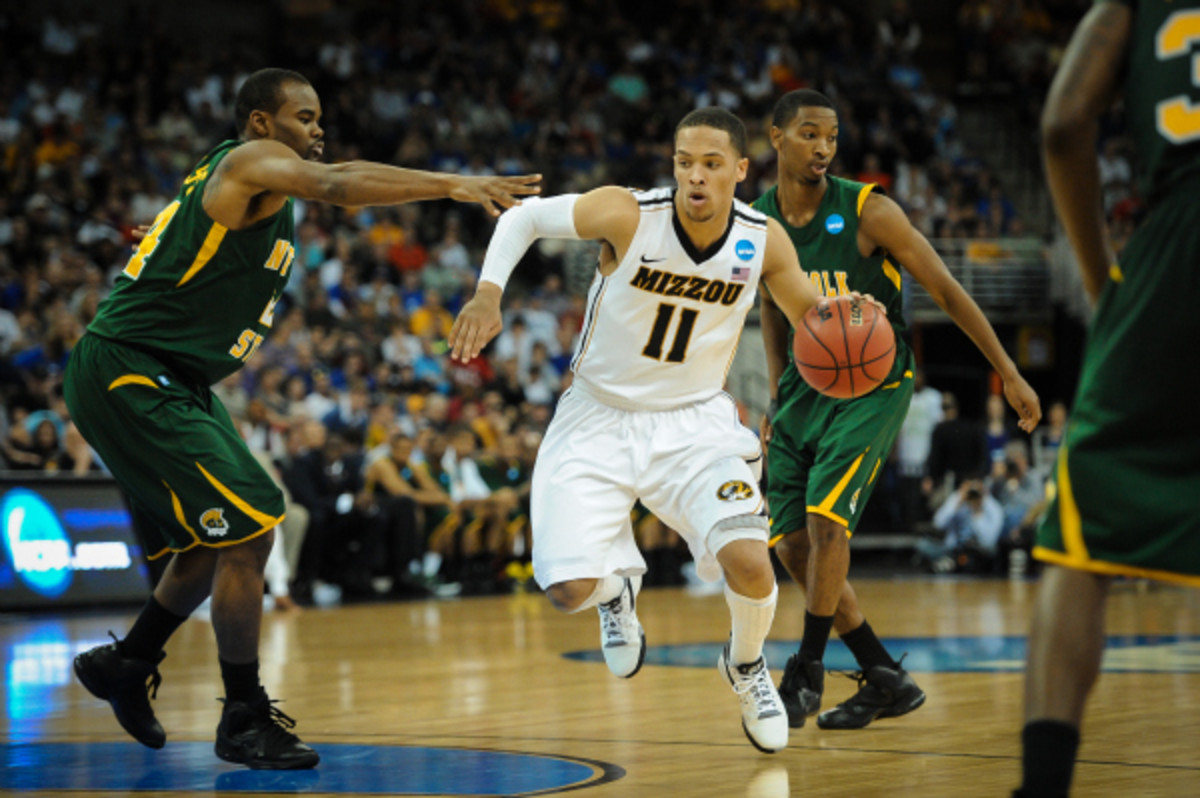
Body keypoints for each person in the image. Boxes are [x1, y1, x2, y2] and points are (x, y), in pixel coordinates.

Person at [65, 67, 540, 770]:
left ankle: (126, 664)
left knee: (211, 541)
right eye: (303, 117)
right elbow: (342, 184)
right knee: (255, 525)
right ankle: (243, 716)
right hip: (129, 371)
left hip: (174, 377)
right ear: (260, 122)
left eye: (320, 120)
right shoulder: (251, 160)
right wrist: (451, 184)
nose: (318, 131)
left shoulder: (255, 185)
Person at [449, 107, 829, 754]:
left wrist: (850, 318)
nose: (696, 177)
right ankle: (616, 588)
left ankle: (745, 665)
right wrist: (489, 293)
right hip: (598, 416)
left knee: (749, 560)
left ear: (740, 170)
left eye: (712, 164)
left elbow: (811, 317)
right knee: (566, 589)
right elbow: (523, 216)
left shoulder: (762, 239)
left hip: (695, 424)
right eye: (685, 163)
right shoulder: (629, 213)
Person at [755, 89, 1041, 731]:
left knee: (829, 524)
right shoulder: (758, 221)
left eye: (831, 135)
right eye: (808, 134)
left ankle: (806, 669)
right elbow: (771, 309)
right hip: (803, 388)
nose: (824, 147)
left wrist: (1010, 370)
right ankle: (884, 675)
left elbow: (945, 287)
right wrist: (776, 391)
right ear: (775, 138)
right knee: (791, 545)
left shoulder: (868, 210)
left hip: (874, 382)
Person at [1017, 3, 1200, 795]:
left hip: (1177, 247)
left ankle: (1045, 785)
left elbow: (1063, 123)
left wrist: (1105, 285)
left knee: (1080, 538)